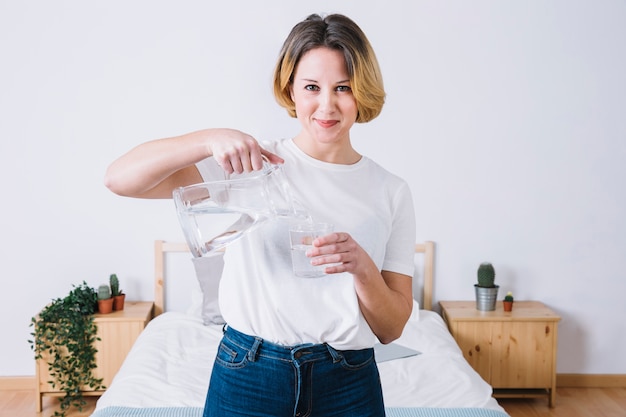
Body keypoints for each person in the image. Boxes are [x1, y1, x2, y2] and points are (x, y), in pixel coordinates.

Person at [105, 13, 416, 417]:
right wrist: (208, 139)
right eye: (311, 87)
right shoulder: (251, 164)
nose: (327, 105)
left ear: (362, 90)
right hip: (247, 373)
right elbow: (119, 179)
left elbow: (391, 329)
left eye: (343, 88)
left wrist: (362, 269)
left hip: (348, 382)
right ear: (291, 89)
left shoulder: (391, 190)